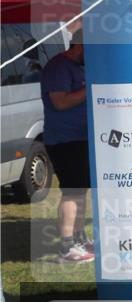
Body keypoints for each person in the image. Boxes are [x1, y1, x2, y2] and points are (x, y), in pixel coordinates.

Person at [41, 31, 93, 263]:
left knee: (81, 191)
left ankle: (78, 238)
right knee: (72, 191)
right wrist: (90, 87)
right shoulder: (59, 66)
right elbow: (60, 102)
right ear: (80, 45)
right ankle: (66, 246)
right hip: (64, 140)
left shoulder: (76, 66)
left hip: (79, 138)